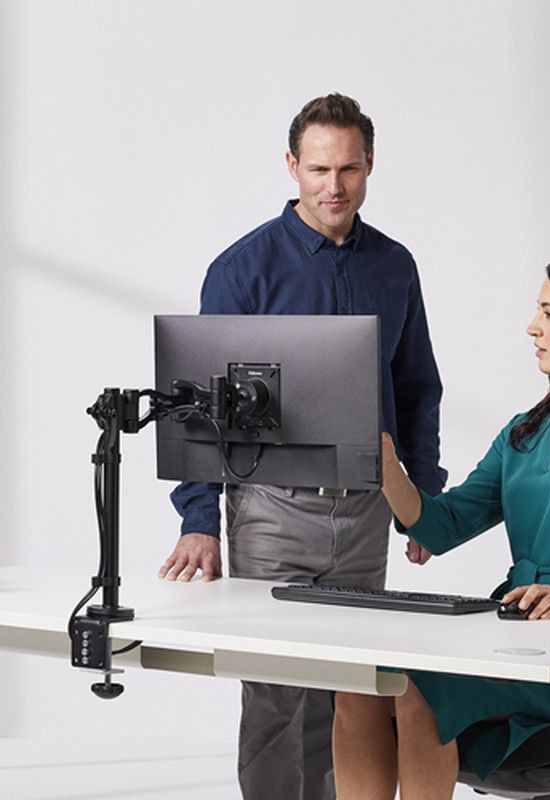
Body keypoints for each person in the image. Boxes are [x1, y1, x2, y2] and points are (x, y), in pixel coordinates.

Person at [158, 93, 447, 800]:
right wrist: (199, 520)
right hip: (272, 511)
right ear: (292, 165)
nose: (334, 186)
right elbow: (201, 407)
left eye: (349, 168)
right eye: (319, 169)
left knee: (352, 695)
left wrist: (423, 503)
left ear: (370, 164)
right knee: (275, 696)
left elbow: (416, 388)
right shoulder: (243, 269)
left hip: (366, 509)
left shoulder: (395, 266)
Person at [332, 249, 550, 800]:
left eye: (549, 314)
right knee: (359, 686)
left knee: (415, 688)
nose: (532, 328)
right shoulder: (525, 431)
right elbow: (441, 527)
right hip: (513, 631)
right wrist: (384, 467)